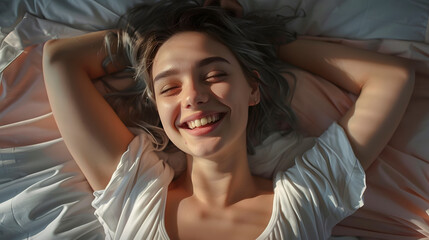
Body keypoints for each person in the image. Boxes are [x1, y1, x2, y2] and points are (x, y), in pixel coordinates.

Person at [42, 0, 414, 239]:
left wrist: (250, 39)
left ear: (253, 88)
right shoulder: (135, 196)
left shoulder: (305, 196)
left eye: (215, 74)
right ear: (157, 108)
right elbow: (60, 60)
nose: (193, 96)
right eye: (170, 88)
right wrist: (151, 37)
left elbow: (392, 79)